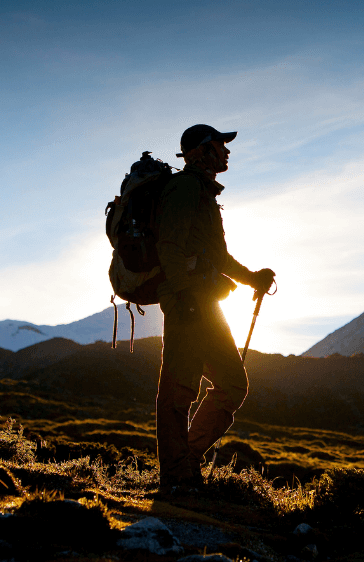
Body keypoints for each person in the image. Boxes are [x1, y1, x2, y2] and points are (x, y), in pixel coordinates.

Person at [154, 124, 275, 490]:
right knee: (179, 389)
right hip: (190, 303)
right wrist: (184, 296)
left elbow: (217, 257)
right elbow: (169, 246)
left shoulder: (203, 194)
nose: (226, 151)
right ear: (200, 152)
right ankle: (178, 476)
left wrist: (253, 278)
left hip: (205, 303)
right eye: (219, 145)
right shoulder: (185, 188)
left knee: (232, 384)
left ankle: (185, 464)